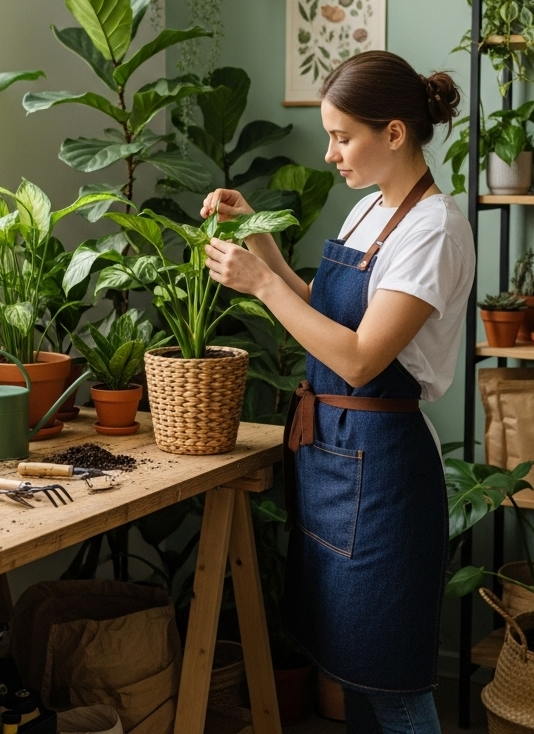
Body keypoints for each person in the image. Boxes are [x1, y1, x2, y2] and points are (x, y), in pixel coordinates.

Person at [203, 50, 475, 734]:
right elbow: (319, 314)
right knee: (350, 670)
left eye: (342, 136)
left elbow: (357, 359)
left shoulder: (433, 229)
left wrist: (259, 285)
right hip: (333, 457)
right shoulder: (367, 214)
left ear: (393, 133)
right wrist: (257, 237)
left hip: (386, 474)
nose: (330, 154)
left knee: (394, 680)